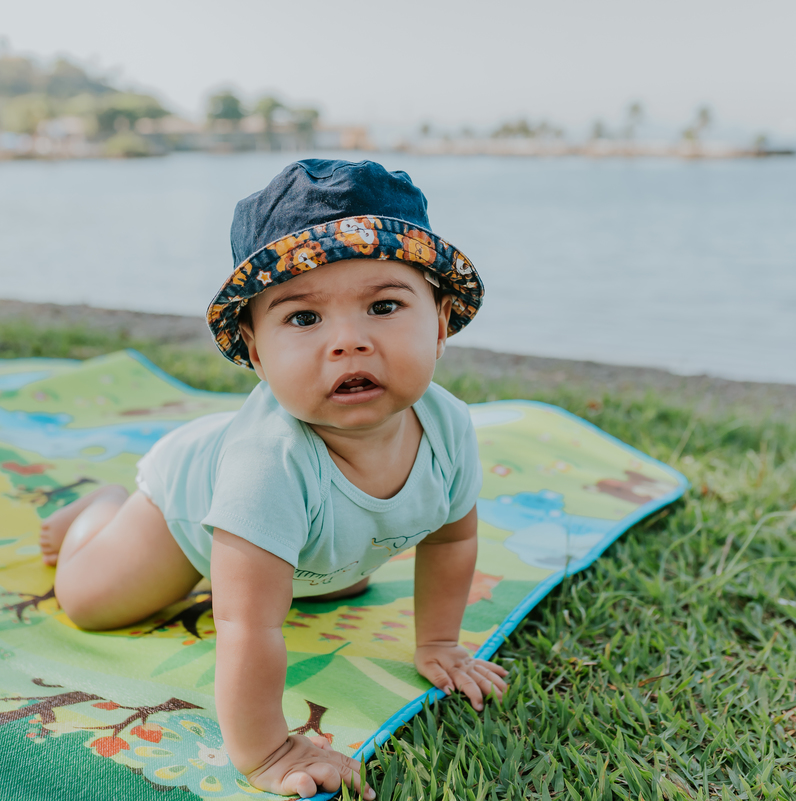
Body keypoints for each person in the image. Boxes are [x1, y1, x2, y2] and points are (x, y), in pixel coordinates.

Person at [38, 159, 509, 799]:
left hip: (307, 536)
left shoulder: (448, 425)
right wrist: (267, 752)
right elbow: (245, 624)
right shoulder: (267, 464)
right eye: (304, 318)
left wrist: (439, 643)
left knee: (335, 577)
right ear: (256, 353)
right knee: (91, 603)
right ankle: (99, 510)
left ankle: (283, 550)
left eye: (384, 305)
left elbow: (451, 539)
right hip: (185, 511)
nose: (349, 342)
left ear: (441, 321)